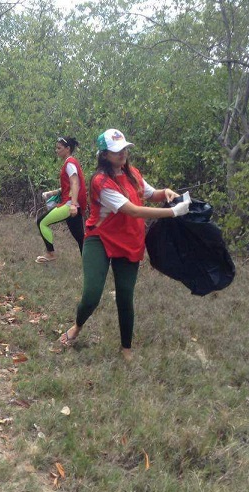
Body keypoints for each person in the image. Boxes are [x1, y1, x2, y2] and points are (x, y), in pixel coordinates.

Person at [59, 129, 190, 362]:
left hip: (129, 240)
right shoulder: (101, 181)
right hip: (100, 238)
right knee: (91, 295)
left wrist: (166, 194)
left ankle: (126, 349)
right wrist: (172, 213)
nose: (123, 154)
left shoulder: (133, 174)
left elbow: (149, 194)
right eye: (116, 151)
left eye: (125, 149)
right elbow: (132, 209)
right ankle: (77, 326)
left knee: (125, 295)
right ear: (104, 154)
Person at [35, 136, 87, 263]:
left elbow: (75, 183)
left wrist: (73, 205)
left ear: (68, 149)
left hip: (70, 205)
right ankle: (91, 265)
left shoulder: (69, 163)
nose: (56, 150)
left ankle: (50, 253)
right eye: (56, 148)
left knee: (41, 222)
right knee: (80, 238)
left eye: (59, 148)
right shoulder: (71, 162)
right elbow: (68, 185)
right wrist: (51, 193)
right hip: (75, 204)